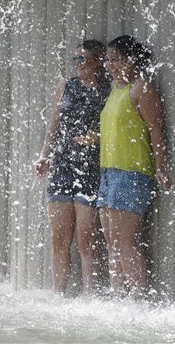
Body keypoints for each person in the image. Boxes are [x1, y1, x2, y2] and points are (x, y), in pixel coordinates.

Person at [34, 40, 110, 294]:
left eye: (82, 59)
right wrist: (44, 156)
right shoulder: (66, 87)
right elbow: (53, 126)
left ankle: (91, 296)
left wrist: (97, 138)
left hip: (91, 168)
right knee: (59, 239)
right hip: (62, 166)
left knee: (87, 240)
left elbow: (117, 128)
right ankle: (59, 295)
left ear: (98, 61)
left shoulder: (108, 90)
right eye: (74, 59)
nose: (77, 64)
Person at [98, 35, 171, 298]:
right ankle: (119, 296)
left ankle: (139, 297)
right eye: (107, 61)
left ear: (132, 60)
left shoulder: (142, 88)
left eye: (115, 60)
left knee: (123, 240)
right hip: (108, 172)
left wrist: (161, 168)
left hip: (132, 173)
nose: (110, 66)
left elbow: (156, 130)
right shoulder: (115, 89)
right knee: (110, 240)